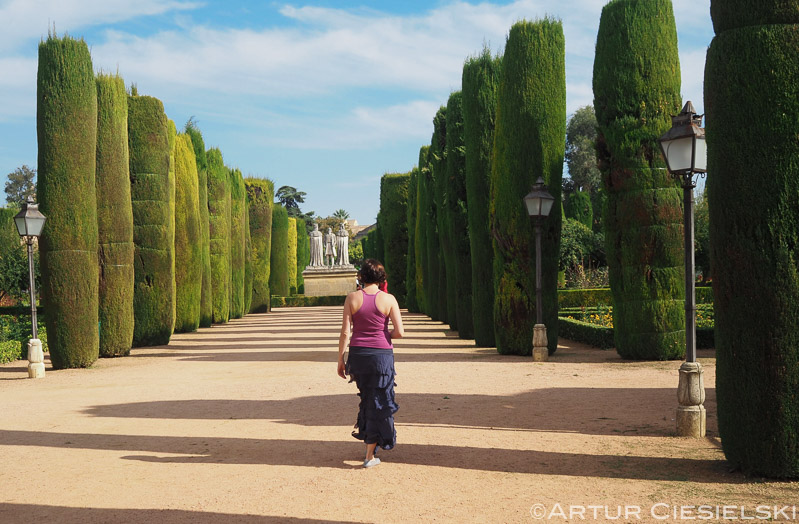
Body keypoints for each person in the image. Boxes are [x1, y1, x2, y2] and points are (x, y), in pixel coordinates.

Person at [337, 258, 404, 468]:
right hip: (381, 355)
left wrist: (340, 358)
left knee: (368, 398)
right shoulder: (389, 299)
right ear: (381, 277)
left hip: (358, 355)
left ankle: (370, 447)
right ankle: (369, 454)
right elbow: (400, 332)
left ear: (362, 277)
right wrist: (384, 335)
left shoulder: (352, 298)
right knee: (379, 400)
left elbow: (346, 332)